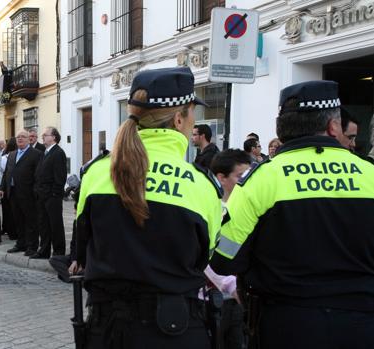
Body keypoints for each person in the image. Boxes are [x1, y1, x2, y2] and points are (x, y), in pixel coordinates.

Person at [210, 80, 374, 349]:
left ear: (282, 128)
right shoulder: (371, 175)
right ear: (333, 126)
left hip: (286, 324)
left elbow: (224, 259)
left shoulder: (260, 180)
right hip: (364, 324)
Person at [74, 67, 222, 348]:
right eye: (192, 113)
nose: (193, 122)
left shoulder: (96, 174)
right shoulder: (201, 186)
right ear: (179, 119)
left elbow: (83, 245)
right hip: (174, 330)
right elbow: (206, 258)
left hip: (108, 331)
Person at [207, 149, 252, 349]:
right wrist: (233, 287)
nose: (247, 181)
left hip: (244, 301)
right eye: (240, 176)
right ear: (221, 178)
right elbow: (208, 260)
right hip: (216, 302)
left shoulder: (252, 208)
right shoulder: (212, 208)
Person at [1, 130, 43, 255]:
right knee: (17, 220)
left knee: (31, 221)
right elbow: (6, 173)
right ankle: (21, 244)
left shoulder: (36, 154)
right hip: (13, 192)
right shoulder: (12, 154)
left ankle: (32, 246)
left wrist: (35, 191)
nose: (20, 139)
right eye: (18, 137)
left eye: (23, 137)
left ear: (29, 139)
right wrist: (2, 188)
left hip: (28, 193)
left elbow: (38, 175)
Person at [32, 127, 67, 259]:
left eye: (45, 135)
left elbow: (60, 177)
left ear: (53, 137)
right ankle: (44, 250)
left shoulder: (58, 153)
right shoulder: (44, 152)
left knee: (55, 224)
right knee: (44, 225)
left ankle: (58, 252)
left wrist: (54, 194)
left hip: (52, 197)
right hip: (41, 195)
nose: (43, 136)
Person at [0, 137, 17, 240]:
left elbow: (3, 172)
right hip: (10, 186)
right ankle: (12, 230)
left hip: (5, 186)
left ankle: (6, 228)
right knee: (11, 210)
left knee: (6, 210)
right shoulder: (10, 157)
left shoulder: (4, 158)